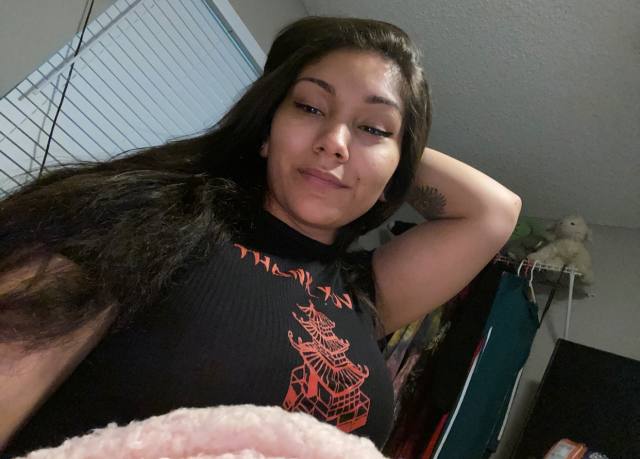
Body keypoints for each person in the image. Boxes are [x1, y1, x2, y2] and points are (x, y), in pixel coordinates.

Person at [0, 16, 521, 455]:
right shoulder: (140, 225)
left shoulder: (364, 295)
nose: (334, 142)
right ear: (266, 130)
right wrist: (370, 133)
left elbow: (494, 213)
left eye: (373, 129)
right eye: (309, 107)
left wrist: (387, 152)